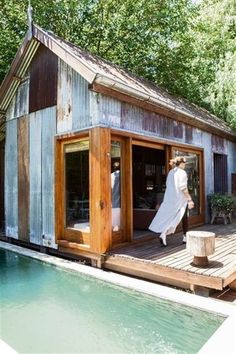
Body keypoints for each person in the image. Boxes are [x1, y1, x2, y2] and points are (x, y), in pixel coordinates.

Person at [149, 156, 194, 246]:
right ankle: (184, 237)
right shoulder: (182, 173)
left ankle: (164, 234)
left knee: (172, 217)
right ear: (181, 163)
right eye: (184, 163)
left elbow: (168, 185)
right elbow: (183, 188)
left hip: (170, 198)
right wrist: (189, 199)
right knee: (182, 217)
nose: (185, 165)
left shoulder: (171, 172)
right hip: (180, 199)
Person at [111, 161, 121, 231]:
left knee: (115, 213)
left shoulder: (111, 175)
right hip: (121, 199)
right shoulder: (124, 175)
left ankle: (115, 227)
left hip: (113, 198)